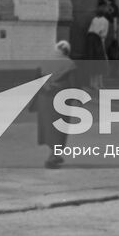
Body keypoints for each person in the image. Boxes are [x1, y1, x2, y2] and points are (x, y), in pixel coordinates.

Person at [38, 39, 75, 169]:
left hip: (45, 98)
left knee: (49, 127)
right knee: (60, 127)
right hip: (61, 96)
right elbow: (73, 82)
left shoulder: (46, 62)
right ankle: (53, 157)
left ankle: (54, 154)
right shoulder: (69, 63)